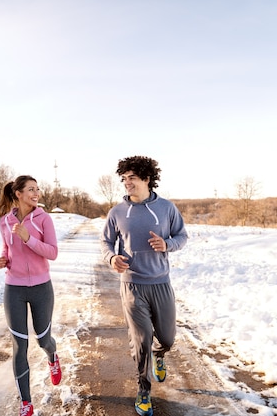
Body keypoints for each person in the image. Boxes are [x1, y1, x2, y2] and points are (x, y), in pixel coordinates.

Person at [100, 156, 188, 416]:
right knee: (141, 339)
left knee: (167, 337)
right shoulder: (117, 212)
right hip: (132, 284)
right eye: (124, 179)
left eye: (132, 178)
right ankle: (143, 389)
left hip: (160, 282)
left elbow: (182, 235)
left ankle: (159, 355)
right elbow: (105, 243)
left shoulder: (166, 208)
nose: (127, 183)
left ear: (147, 179)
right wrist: (112, 258)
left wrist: (167, 244)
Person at [0, 175, 62, 416]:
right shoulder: (5, 221)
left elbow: (52, 252)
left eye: (37, 189)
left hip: (41, 287)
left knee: (43, 339)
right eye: (31, 189)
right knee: (19, 345)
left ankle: (52, 357)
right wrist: (4, 260)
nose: (37, 193)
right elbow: (6, 248)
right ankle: (26, 402)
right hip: (14, 287)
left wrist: (28, 238)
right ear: (18, 194)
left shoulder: (44, 219)